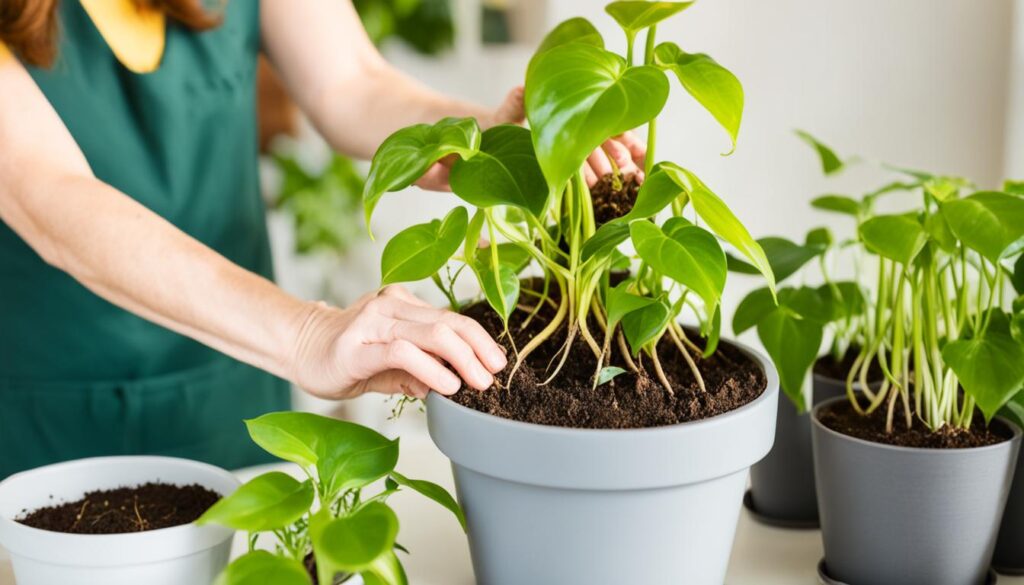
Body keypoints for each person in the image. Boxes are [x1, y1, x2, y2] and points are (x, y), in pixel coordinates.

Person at [0, 0, 646, 478]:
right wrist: (309, 333)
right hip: (45, 409)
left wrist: (486, 137)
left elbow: (349, 82)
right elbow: (49, 194)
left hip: (231, 383)